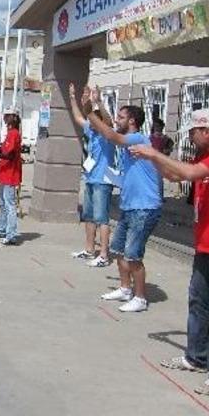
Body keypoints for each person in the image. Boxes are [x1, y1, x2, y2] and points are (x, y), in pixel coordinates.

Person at [131, 108, 209, 396]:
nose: (189, 136)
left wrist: (152, 153)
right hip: (208, 241)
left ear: (207, 131)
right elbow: (177, 176)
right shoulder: (206, 155)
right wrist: (154, 162)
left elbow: (189, 173)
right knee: (198, 302)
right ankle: (196, 357)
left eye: (193, 131)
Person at [88, 90, 162, 312]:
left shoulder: (138, 138)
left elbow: (111, 135)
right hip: (129, 206)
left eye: (121, 117)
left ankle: (140, 298)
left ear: (132, 121)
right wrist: (96, 104)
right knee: (118, 250)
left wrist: (92, 112)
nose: (116, 121)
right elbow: (112, 130)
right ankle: (125, 288)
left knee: (133, 255)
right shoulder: (129, 143)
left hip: (145, 208)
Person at [68, 84, 116, 267]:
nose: (92, 123)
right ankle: (89, 250)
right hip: (89, 178)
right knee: (88, 216)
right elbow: (78, 118)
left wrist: (98, 102)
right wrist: (73, 98)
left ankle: (103, 254)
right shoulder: (91, 131)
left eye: (95, 120)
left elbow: (109, 121)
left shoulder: (106, 133)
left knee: (101, 218)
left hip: (102, 181)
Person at [0, 107, 22, 246]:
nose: (4, 118)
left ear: (13, 118)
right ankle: (2, 229)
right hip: (4, 173)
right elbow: (4, 150)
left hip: (10, 174)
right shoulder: (9, 133)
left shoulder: (14, 134)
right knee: (2, 202)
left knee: (9, 204)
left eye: (7, 116)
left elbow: (10, 155)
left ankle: (11, 234)